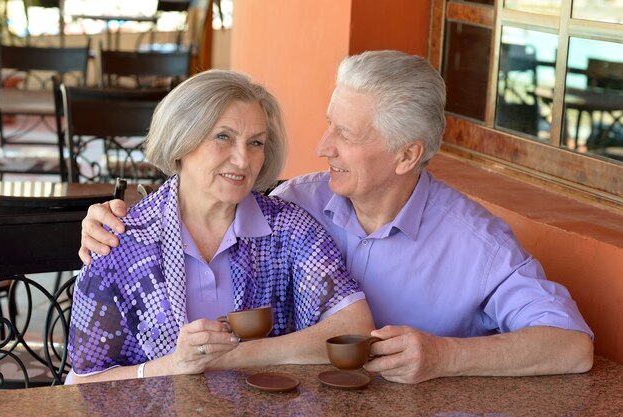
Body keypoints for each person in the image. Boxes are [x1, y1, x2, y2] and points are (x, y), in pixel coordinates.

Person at [79, 51, 594, 385]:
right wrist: (113, 221)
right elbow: (201, 197)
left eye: (345, 134)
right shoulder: (296, 203)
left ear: (406, 156)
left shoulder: (476, 243)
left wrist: (444, 357)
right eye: (329, 126)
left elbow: (572, 348)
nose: (322, 148)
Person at [67, 69, 374, 384]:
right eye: (223, 137)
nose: (243, 160)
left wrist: (231, 357)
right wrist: (174, 365)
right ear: (181, 140)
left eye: (255, 143)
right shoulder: (121, 241)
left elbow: (354, 328)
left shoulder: (287, 229)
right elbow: (82, 384)